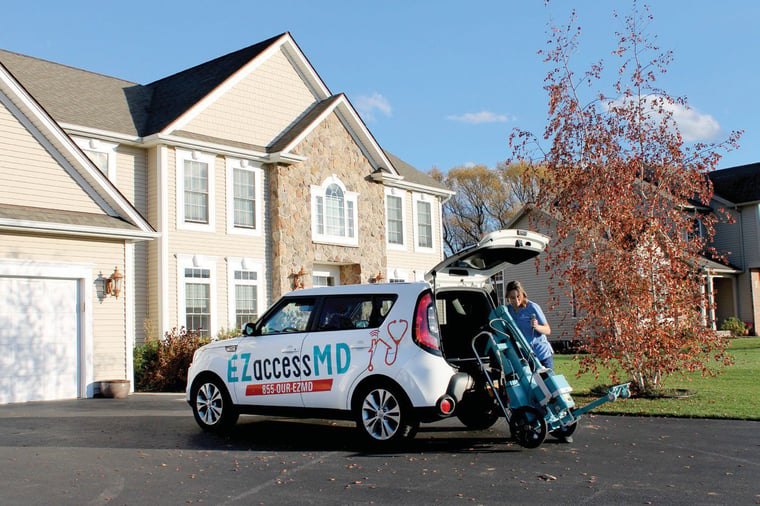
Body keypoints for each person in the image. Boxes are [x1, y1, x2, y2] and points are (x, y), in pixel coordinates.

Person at [505, 280, 554, 370]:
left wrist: (537, 327)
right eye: (512, 298)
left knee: (547, 382)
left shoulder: (532, 307)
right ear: (508, 297)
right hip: (526, 356)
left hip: (541, 355)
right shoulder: (508, 311)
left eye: (518, 297)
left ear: (522, 294)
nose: (516, 300)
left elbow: (548, 330)